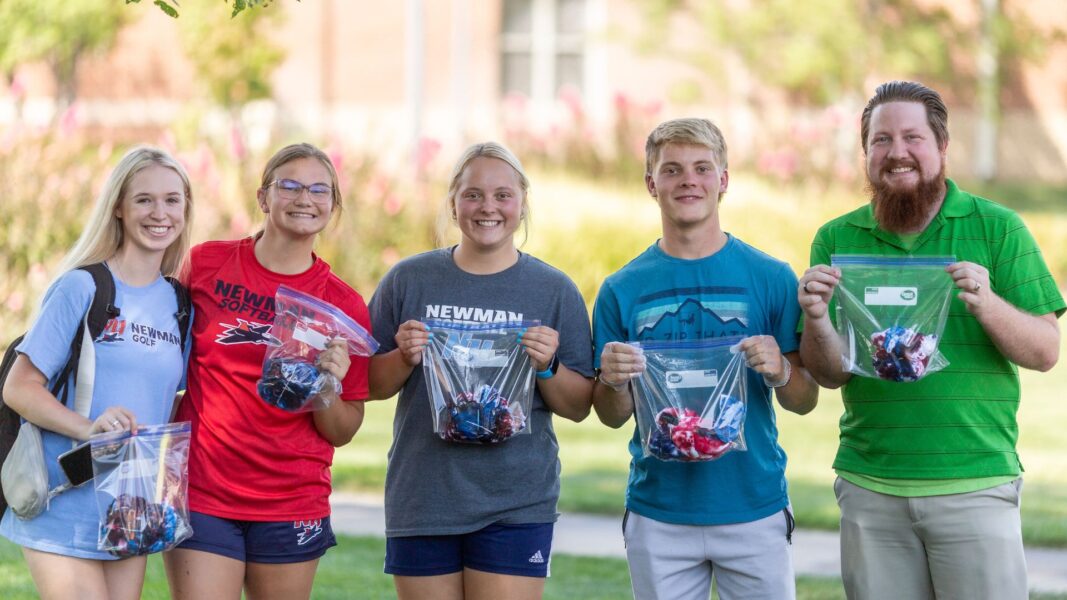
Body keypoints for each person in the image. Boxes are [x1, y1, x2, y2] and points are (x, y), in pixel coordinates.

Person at [798, 80, 1064, 599]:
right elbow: (829, 374)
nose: (897, 153)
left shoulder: (998, 229)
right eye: (881, 140)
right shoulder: (836, 239)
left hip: (975, 485)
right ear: (866, 152)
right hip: (870, 487)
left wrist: (987, 303)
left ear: (942, 146)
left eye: (912, 138)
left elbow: (1046, 351)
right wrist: (816, 319)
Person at [592, 118, 820, 600]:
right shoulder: (620, 289)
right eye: (671, 170)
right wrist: (613, 383)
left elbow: (805, 400)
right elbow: (612, 418)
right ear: (652, 184)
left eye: (701, 168)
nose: (688, 180)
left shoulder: (770, 277)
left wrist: (780, 370)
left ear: (724, 180)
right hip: (659, 512)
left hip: (753, 505)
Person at [367, 142, 595, 600]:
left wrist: (548, 366)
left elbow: (579, 407)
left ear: (522, 204)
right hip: (424, 496)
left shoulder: (553, 289)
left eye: (502, 195)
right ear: (453, 203)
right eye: (473, 194)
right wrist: (403, 357)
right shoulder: (408, 280)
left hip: (516, 501)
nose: (487, 207)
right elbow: (368, 385)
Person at [163, 143, 370, 600]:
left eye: (320, 190)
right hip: (203, 489)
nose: (304, 199)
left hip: (291, 498)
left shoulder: (343, 307)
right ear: (263, 197)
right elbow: (159, 347)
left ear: (333, 207)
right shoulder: (207, 264)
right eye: (290, 185)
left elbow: (342, 430)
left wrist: (328, 389)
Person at [0, 146, 194, 600]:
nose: (159, 212)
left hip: (131, 504)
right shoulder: (82, 287)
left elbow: (172, 398)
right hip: (62, 498)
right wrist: (91, 428)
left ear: (186, 208)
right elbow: (19, 388)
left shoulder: (181, 305)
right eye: (144, 199)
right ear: (120, 209)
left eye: (172, 199)